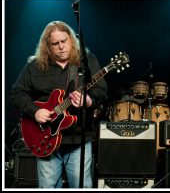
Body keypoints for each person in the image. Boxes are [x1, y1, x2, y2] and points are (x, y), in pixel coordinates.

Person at [10, 21, 108, 188]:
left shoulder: (87, 61)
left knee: (81, 186)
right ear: (47, 46)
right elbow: (16, 92)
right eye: (55, 44)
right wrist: (35, 112)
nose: (61, 47)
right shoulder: (34, 66)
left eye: (64, 41)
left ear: (72, 39)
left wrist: (89, 100)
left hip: (78, 139)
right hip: (45, 138)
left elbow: (101, 91)